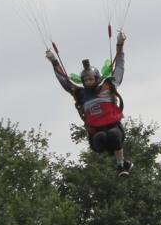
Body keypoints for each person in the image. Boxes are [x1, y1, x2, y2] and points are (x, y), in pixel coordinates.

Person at [46, 31, 132, 175]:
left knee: (113, 134)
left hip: (114, 127)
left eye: (91, 79)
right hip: (96, 132)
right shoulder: (80, 93)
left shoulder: (109, 86)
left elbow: (119, 67)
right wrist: (54, 60)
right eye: (85, 80)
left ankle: (121, 165)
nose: (88, 82)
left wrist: (120, 44)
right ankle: (119, 161)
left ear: (97, 79)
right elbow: (63, 80)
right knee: (101, 137)